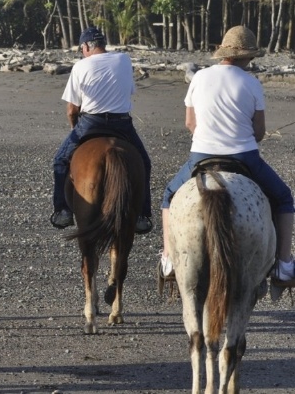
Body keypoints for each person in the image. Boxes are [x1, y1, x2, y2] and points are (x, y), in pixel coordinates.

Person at [159, 25, 295, 282]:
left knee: (168, 195)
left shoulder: (199, 77)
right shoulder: (252, 83)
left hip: (201, 155)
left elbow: (190, 124)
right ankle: (284, 264)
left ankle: (168, 258)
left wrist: (209, 138)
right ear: (248, 56)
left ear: (223, 53)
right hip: (244, 156)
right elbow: (259, 131)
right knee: (284, 198)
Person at [51, 26, 153, 233]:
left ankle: (63, 211)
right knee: (143, 162)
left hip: (91, 122)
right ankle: (142, 215)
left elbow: (72, 110)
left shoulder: (81, 66)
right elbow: (128, 91)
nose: (82, 52)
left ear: (87, 45)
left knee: (60, 161)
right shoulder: (124, 60)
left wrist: (75, 129)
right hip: (122, 124)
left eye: (82, 48)